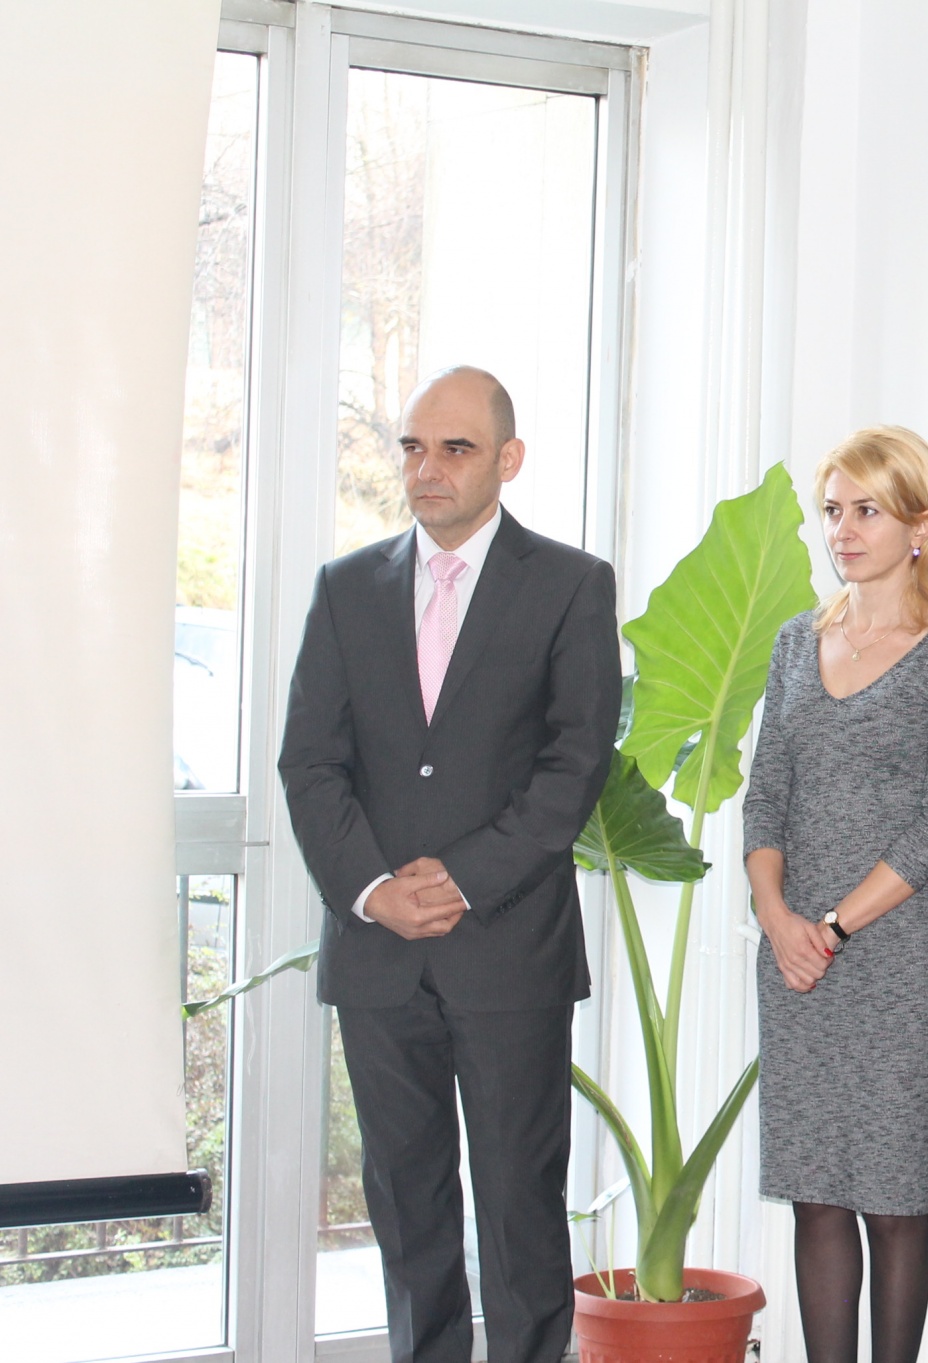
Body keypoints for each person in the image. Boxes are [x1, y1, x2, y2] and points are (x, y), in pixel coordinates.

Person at [278, 367, 621, 1363]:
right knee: (406, 1206)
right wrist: (372, 889)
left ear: (508, 460)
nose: (426, 468)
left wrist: (463, 878)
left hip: (509, 952)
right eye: (413, 447)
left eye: (455, 448)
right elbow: (310, 762)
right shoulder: (345, 587)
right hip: (378, 955)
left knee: (520, 1211)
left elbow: (574, 762)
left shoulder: (570, 585)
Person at [744, 426, 928, 1363]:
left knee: (891, 1202)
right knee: (815, 1196)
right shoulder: (793, 641)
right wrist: (778, 921)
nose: (841, 530)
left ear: (921, 526)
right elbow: (764, 796)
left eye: (867, 511)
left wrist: (832, 926)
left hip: (892, 960)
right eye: (833, 511)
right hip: (794, 961)